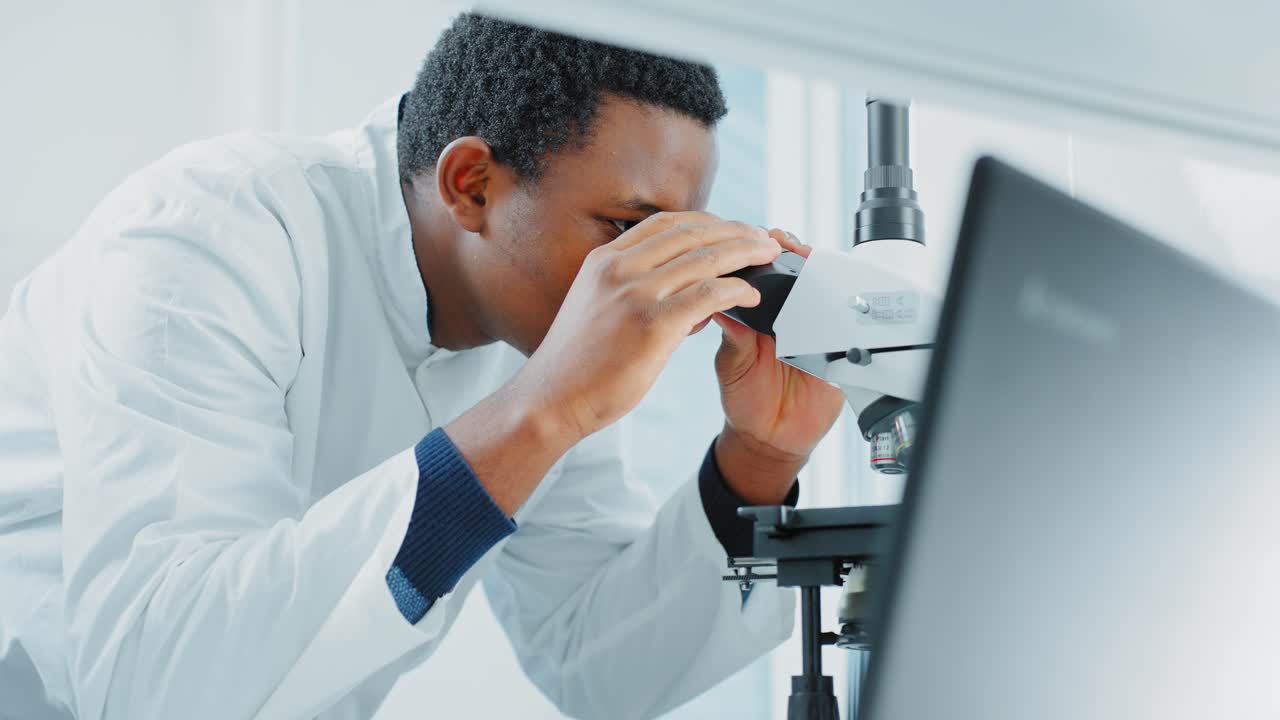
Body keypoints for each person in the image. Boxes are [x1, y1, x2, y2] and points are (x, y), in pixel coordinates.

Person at [0, 12, 844, 719]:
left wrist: (759, 461)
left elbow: (598, 663)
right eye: (629, 229)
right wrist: (541, 413)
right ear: (471, 183)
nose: (651, 278)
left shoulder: (544, 334)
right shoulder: (208, 235)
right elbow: (155, 679)